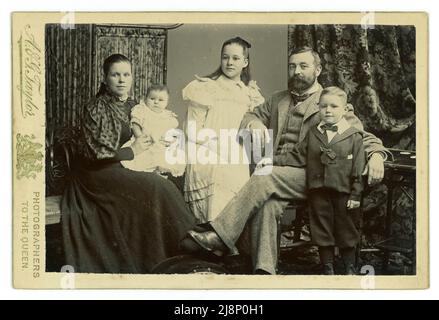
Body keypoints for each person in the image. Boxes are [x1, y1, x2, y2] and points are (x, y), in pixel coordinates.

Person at [184, 46, 389, 275]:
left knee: (266, 175)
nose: (296, 71)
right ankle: (265, 271)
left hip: (313, 176)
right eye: (292, 66)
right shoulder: (277, 100)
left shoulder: (329, 102)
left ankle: (220, 235)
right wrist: (254, 123)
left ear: (318, 70)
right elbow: (249, 116)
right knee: (267, 204)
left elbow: (361, 135)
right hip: (281, 173)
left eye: (303, 66)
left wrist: (377, 156)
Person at [61, 54, 195, 274]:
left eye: (126, 74)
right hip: (97, 173)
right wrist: (133, 151)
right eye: (115, 75)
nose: (122, 80)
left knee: (168, 180)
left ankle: (173, 252)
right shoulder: (96, 108)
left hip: (126, 166)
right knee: (155, 186)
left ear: (132, 78)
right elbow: (96, 153)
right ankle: (189, 243)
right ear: (105, 78)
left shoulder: (136, 107)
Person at [260, 86, 365, 275]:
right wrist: (271, 160)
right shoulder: (314, 134)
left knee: (345, 230)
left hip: (343, 193)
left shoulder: (353, 137)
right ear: (318, 107)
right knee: (322, 230)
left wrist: (356, 193)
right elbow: (296, 156)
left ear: (345, 109)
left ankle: (350, 268)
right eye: (324, 106)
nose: (328, 110)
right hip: (318, 192)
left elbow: (357, 168)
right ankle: (328, 268)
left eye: (334, 106)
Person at [182, 36, 265, 223]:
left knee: (238, 169)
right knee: (223, 170)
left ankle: (227, 239)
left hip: (237, 152)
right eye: (225, 57)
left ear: (245, 62)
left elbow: (254, 126)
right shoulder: (205, 88)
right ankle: (213, 236)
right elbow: (192, 129)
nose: (229, 62)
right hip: (205, 149)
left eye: (235, 58)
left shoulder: (249, 93)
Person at [120, 84, 185, 177]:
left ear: (167, 102)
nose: (156, 102)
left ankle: (161, 175)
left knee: (163, 163)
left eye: (160, 100)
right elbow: (135, 124)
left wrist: (170, 139)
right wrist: (139, 136)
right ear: (146, 98)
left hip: (161, 145)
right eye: (152, 98)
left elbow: (171, 132)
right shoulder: (142, 110)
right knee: (143, 164)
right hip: (145, 143)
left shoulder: (168, 116)